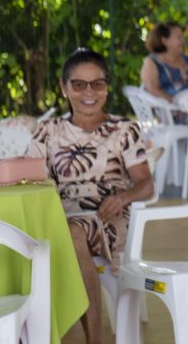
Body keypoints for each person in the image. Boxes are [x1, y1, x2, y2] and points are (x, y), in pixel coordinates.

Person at [27, 48, 153, 344]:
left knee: (72, 233)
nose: (89, 92)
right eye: (79, 84)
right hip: (58, 215)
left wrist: (123, 197)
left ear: (106, 86)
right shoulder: (48, 130)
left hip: (107, 219)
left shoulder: (123, 129)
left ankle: (94, 340)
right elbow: (29, 175)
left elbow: (146, 184)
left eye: (97, 84)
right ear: (63, 87)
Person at [140, 21, 188, 101]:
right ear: (164, 41)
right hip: (170, 110)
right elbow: (153, 90)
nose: (183, 41)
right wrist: (178, 104)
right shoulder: (152, 62)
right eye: (179, 37)